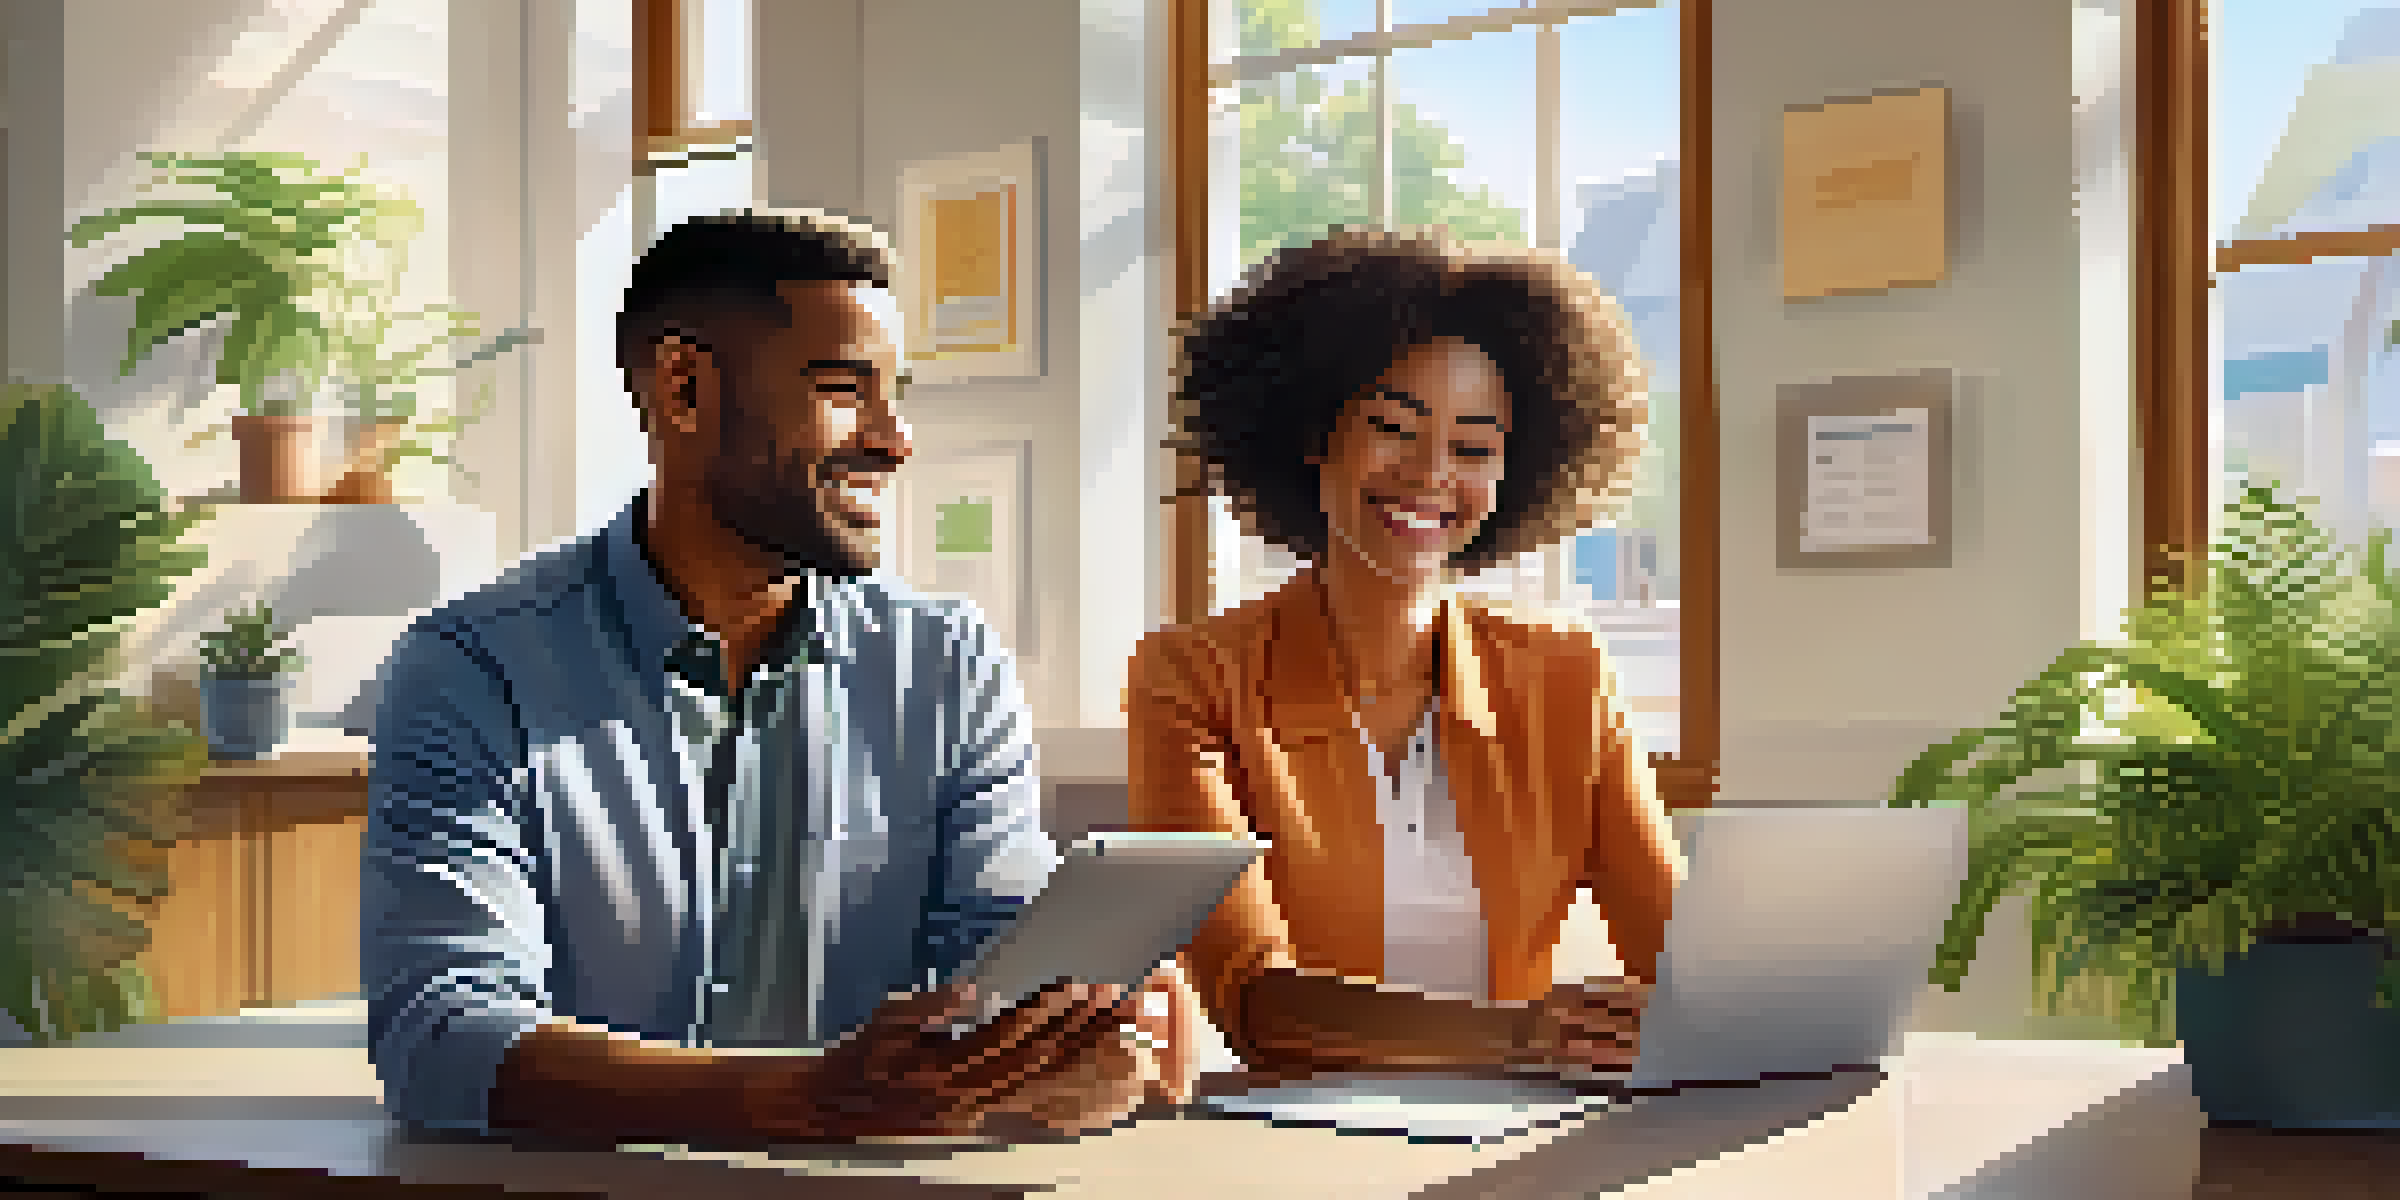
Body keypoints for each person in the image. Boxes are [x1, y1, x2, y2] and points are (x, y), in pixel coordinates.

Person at [363, 210, 1182, 1147]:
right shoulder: (473, 671)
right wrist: (800, 1098)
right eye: (844, 388)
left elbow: (989, 968)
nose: (894, 439)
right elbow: (443, 1039)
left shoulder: (948, 666)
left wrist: (1079, 1034)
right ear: (682, 388)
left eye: (896, 395)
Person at [1128, 227, 1685, 1080]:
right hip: (1296, 1142)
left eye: (1473, 449)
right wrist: (1525, 1036)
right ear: (1316, 436)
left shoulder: (1569, 675)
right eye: (1395, 428)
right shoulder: (1193, 677)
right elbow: (1254, 1001)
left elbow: (1680, 960)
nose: (1431, 474)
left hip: (1520, 1142)